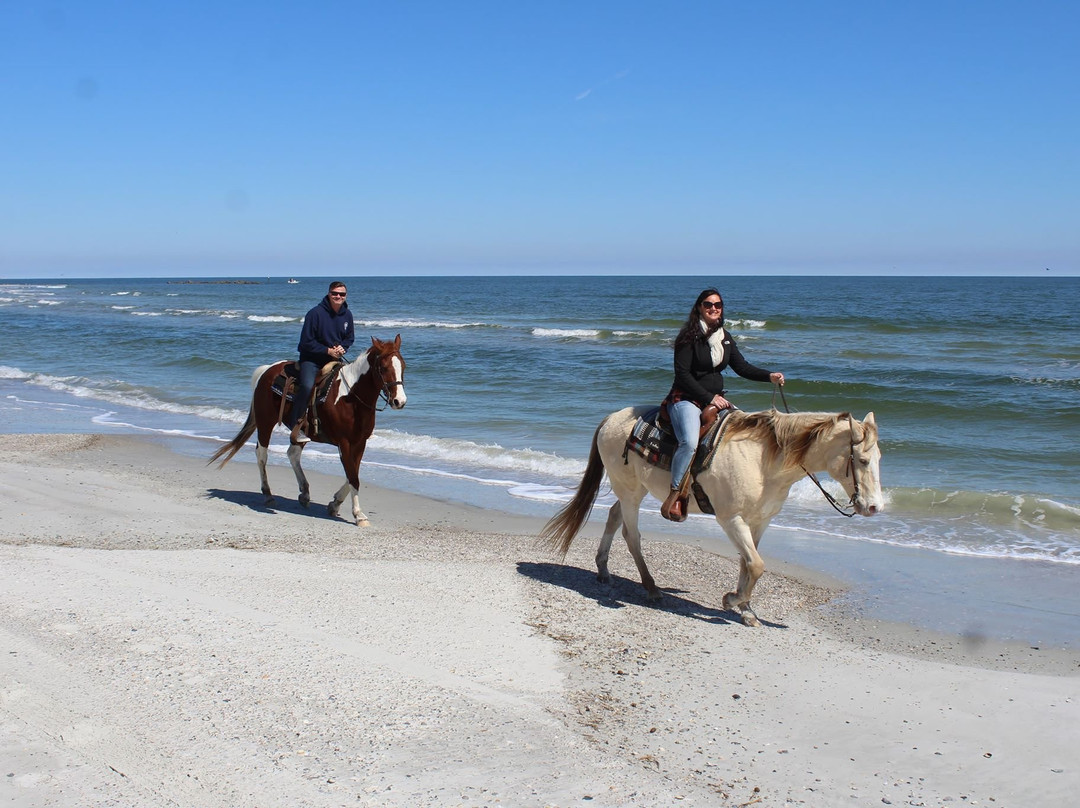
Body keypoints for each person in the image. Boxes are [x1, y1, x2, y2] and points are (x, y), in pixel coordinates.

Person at [660, 288, 785, 521]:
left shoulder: (724, 337)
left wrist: (770, 376)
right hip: (686, 398)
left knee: (749, 431)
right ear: (699, 307)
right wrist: (709, 397)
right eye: (708, 304)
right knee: (688, 442)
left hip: (716, 399)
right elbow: (683, 374)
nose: (714, 309)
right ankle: (676, 493)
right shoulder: (687, 337)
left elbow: (742, 367)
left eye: (718, 305)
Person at [285, 281, 355, 444]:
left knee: (351, 384)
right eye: (335, 293)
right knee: (308, 386)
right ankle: (295, 425)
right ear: (329, 294)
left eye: (342, 294)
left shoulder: (347, 315)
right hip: (312, 360)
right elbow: (305, 342)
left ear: (346, 296)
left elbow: (349, 338)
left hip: (334, 360)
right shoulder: (315, 313)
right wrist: (327, 351)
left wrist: (342, 348)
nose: (338, 297)